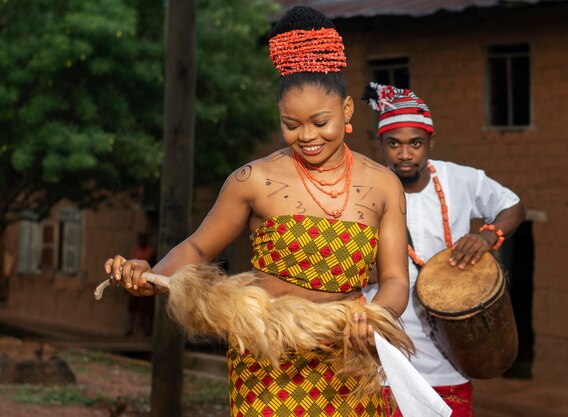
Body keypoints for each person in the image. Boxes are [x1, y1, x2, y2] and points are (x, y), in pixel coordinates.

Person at [104, 7, 409, 416]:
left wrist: (377, 317)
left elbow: (394, 279)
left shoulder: (383, 185)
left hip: (348, 358)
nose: (307, 136)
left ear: (348, 111)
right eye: (291, 124)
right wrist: (153, 275)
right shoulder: (253, 180)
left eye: (321, 122)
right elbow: (196, 248)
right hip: (268, 359)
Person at [362, 83, 525, 417]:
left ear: (430, 142)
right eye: (394, 144)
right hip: (385, 362)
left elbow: (513, 206)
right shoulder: (367, 188)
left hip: (451, 360)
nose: (405, 154)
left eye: (415, 144)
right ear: (381, 144)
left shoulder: (460, 179)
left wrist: (487, 236)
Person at [125, 233, 156, 336]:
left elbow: (151, 267)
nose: (140, 241)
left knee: (147, 309)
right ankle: (130, 328)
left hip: (146, 282)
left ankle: (148, 329)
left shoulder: (151, 252)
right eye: (139, 239)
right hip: (134, 282)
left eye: (142, 239)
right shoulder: (136, 250)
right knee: (132, 307)